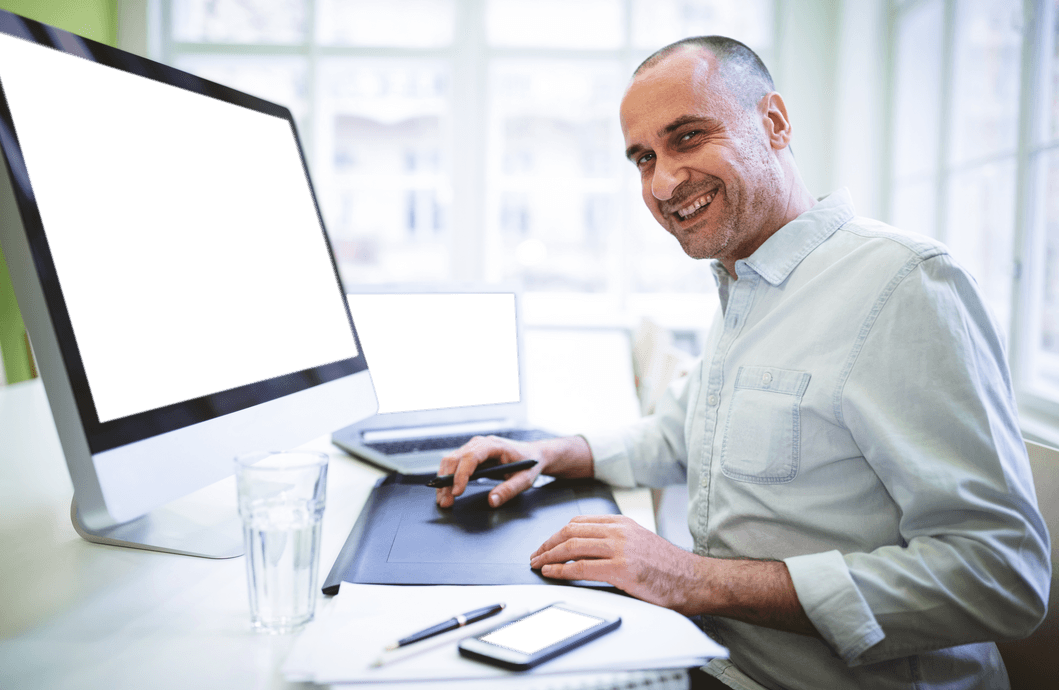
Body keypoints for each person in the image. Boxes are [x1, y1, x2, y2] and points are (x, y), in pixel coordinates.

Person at [435, 36, 1051, 689]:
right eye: (643, 158)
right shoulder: (745, 281)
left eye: (689, 138)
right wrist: (548, 454)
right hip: (717, 661)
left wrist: (692, 578)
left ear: (775, 123)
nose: (664, 182)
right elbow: (679, 432)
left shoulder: (903, 284)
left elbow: (1000, 575)